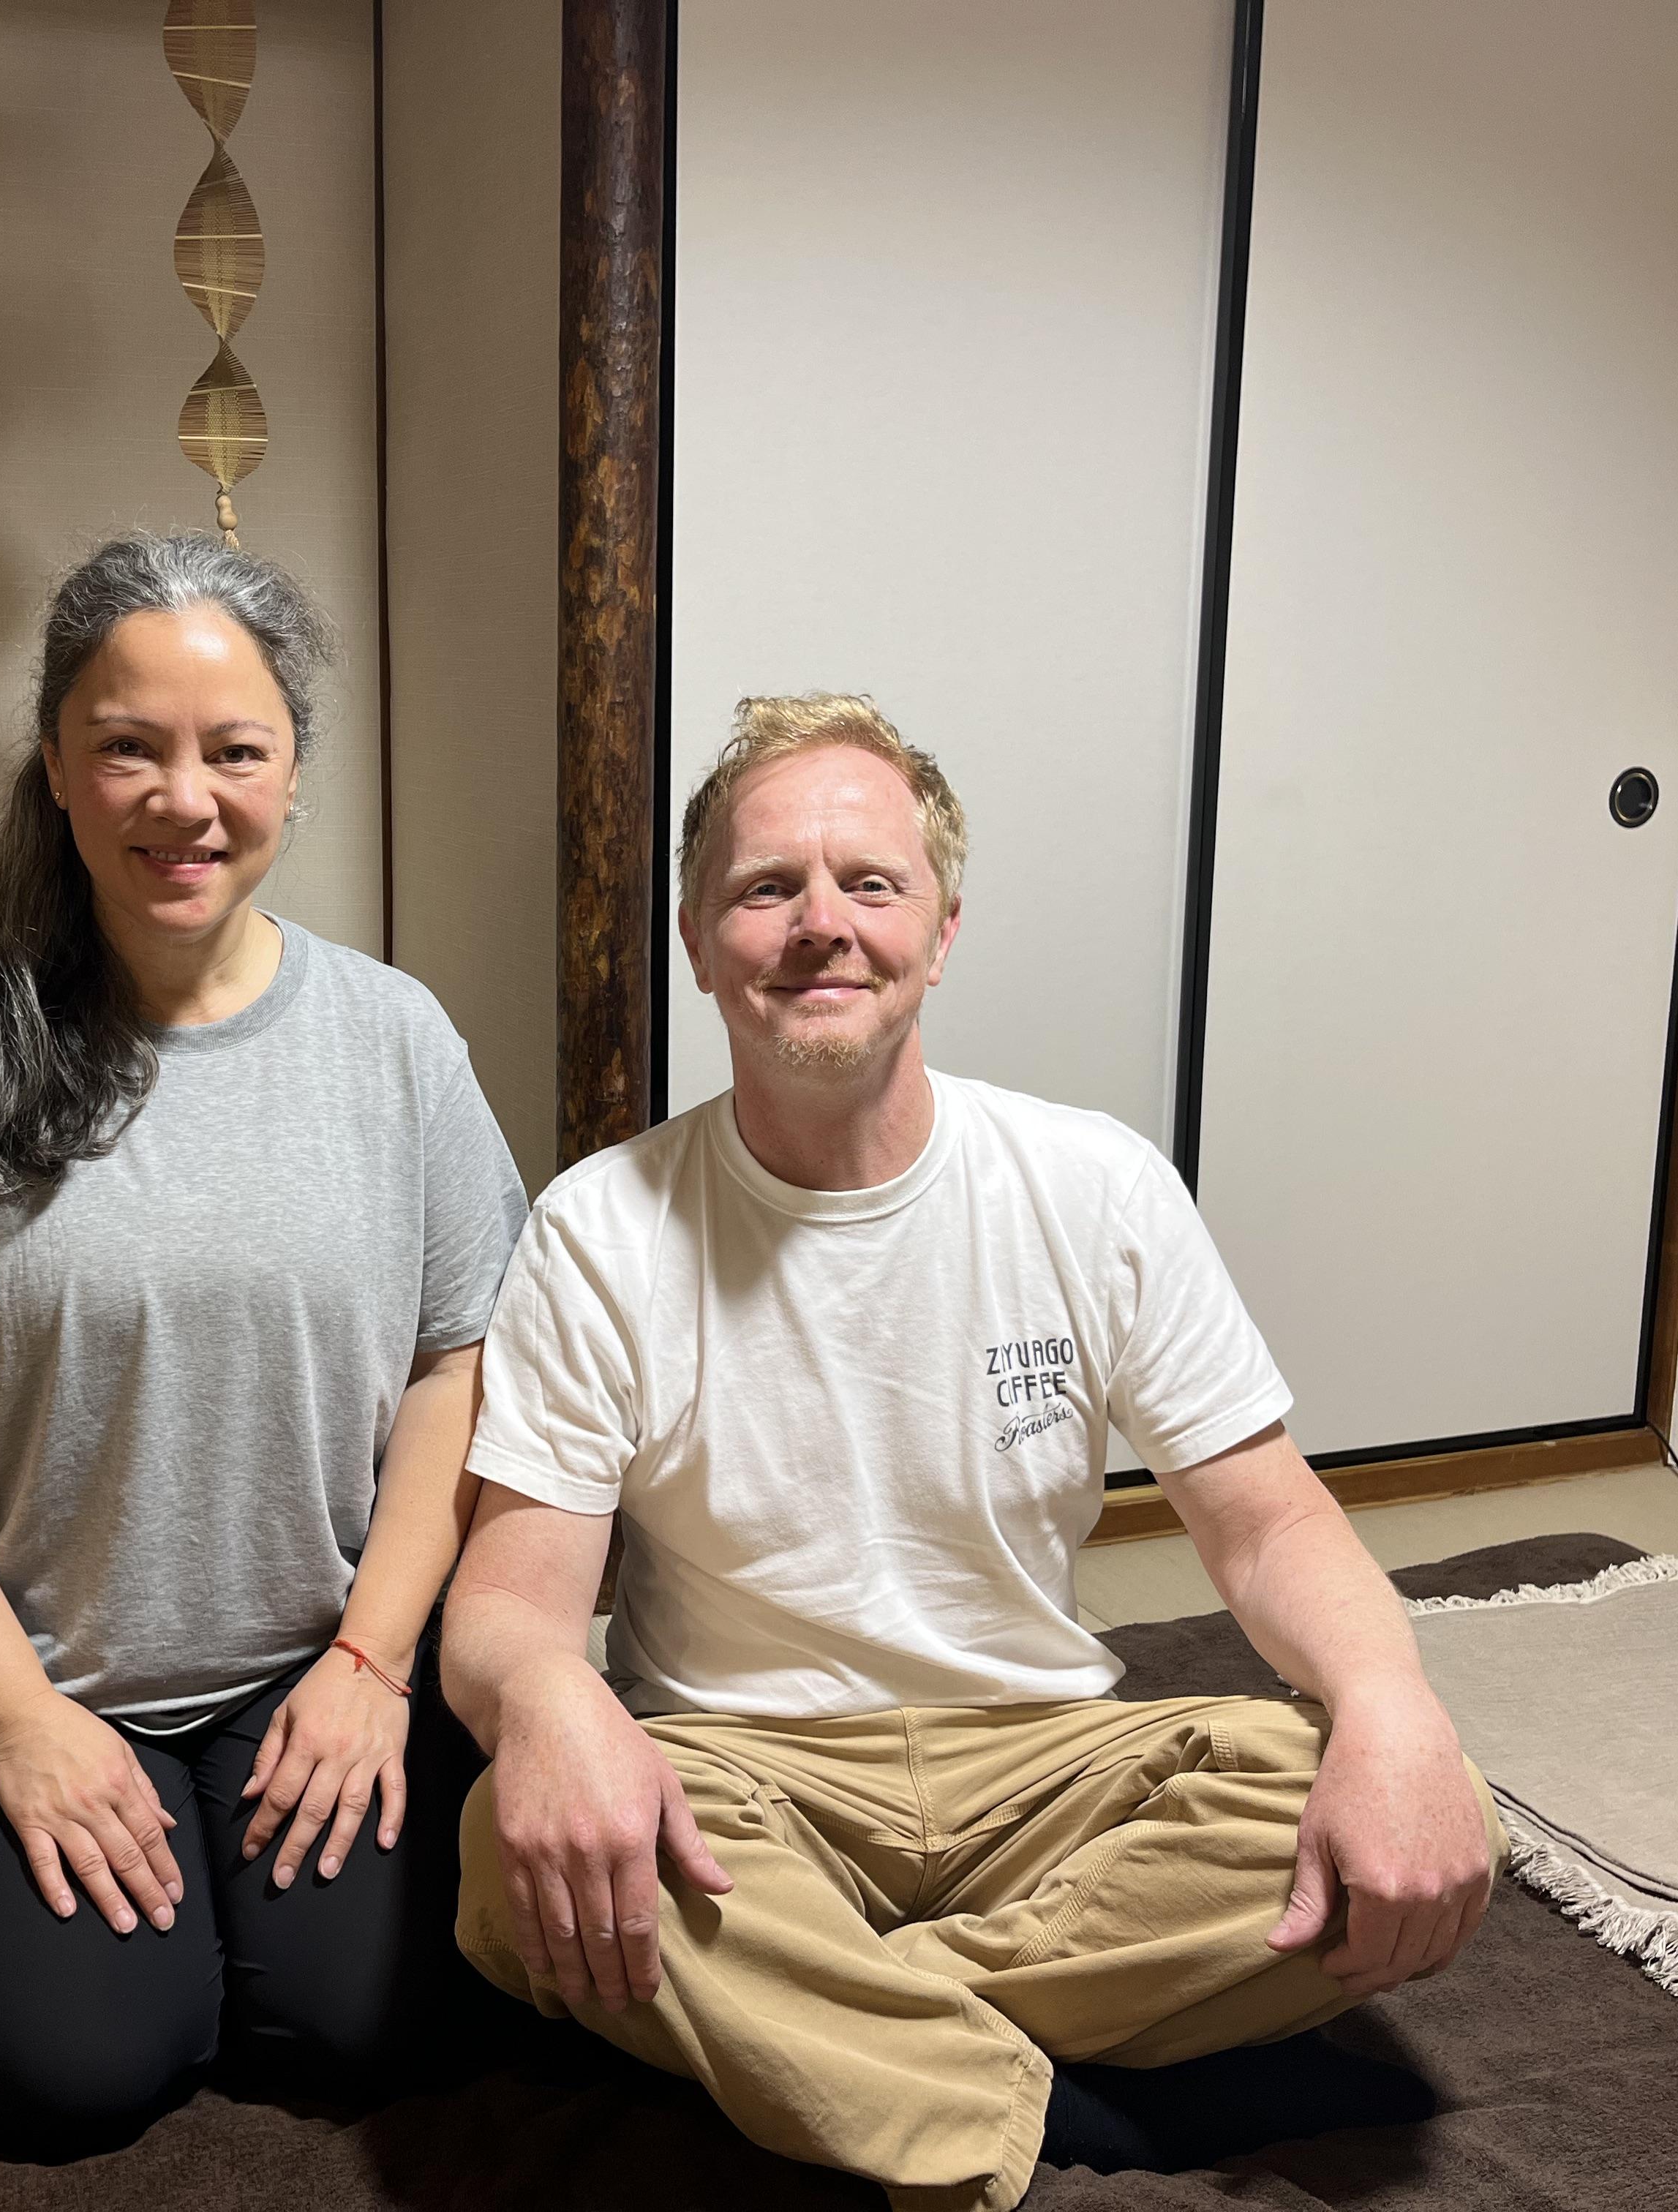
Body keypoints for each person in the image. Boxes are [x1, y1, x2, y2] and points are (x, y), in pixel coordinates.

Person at [441, 693, 1502, 2208]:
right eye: (767, 889)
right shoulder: (601, 1227)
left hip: (1048, 1762)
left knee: (1400, 1796)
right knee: (511, 1850)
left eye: (870, 884)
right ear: (697, 939)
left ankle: (850, 2048)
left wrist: (1394, 1709)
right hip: (743, 1781)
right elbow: (511, 1609)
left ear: (940, 932)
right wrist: (550, 1702)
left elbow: (1269, 1530)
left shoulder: (1094, 1186)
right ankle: (1051, 2118)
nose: (822, 925)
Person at [0, 533, 527, 2160]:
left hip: (307, 1662)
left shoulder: (396, 1042)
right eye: (129, 748)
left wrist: (374, 1667)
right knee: (76, 2072)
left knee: (372, 2023)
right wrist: (23, 1724)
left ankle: (230, 1875)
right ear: (57, 769)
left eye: (236, 751)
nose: (187, 800)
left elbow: (460, 1364)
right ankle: (50, 1856)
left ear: (293, 773)